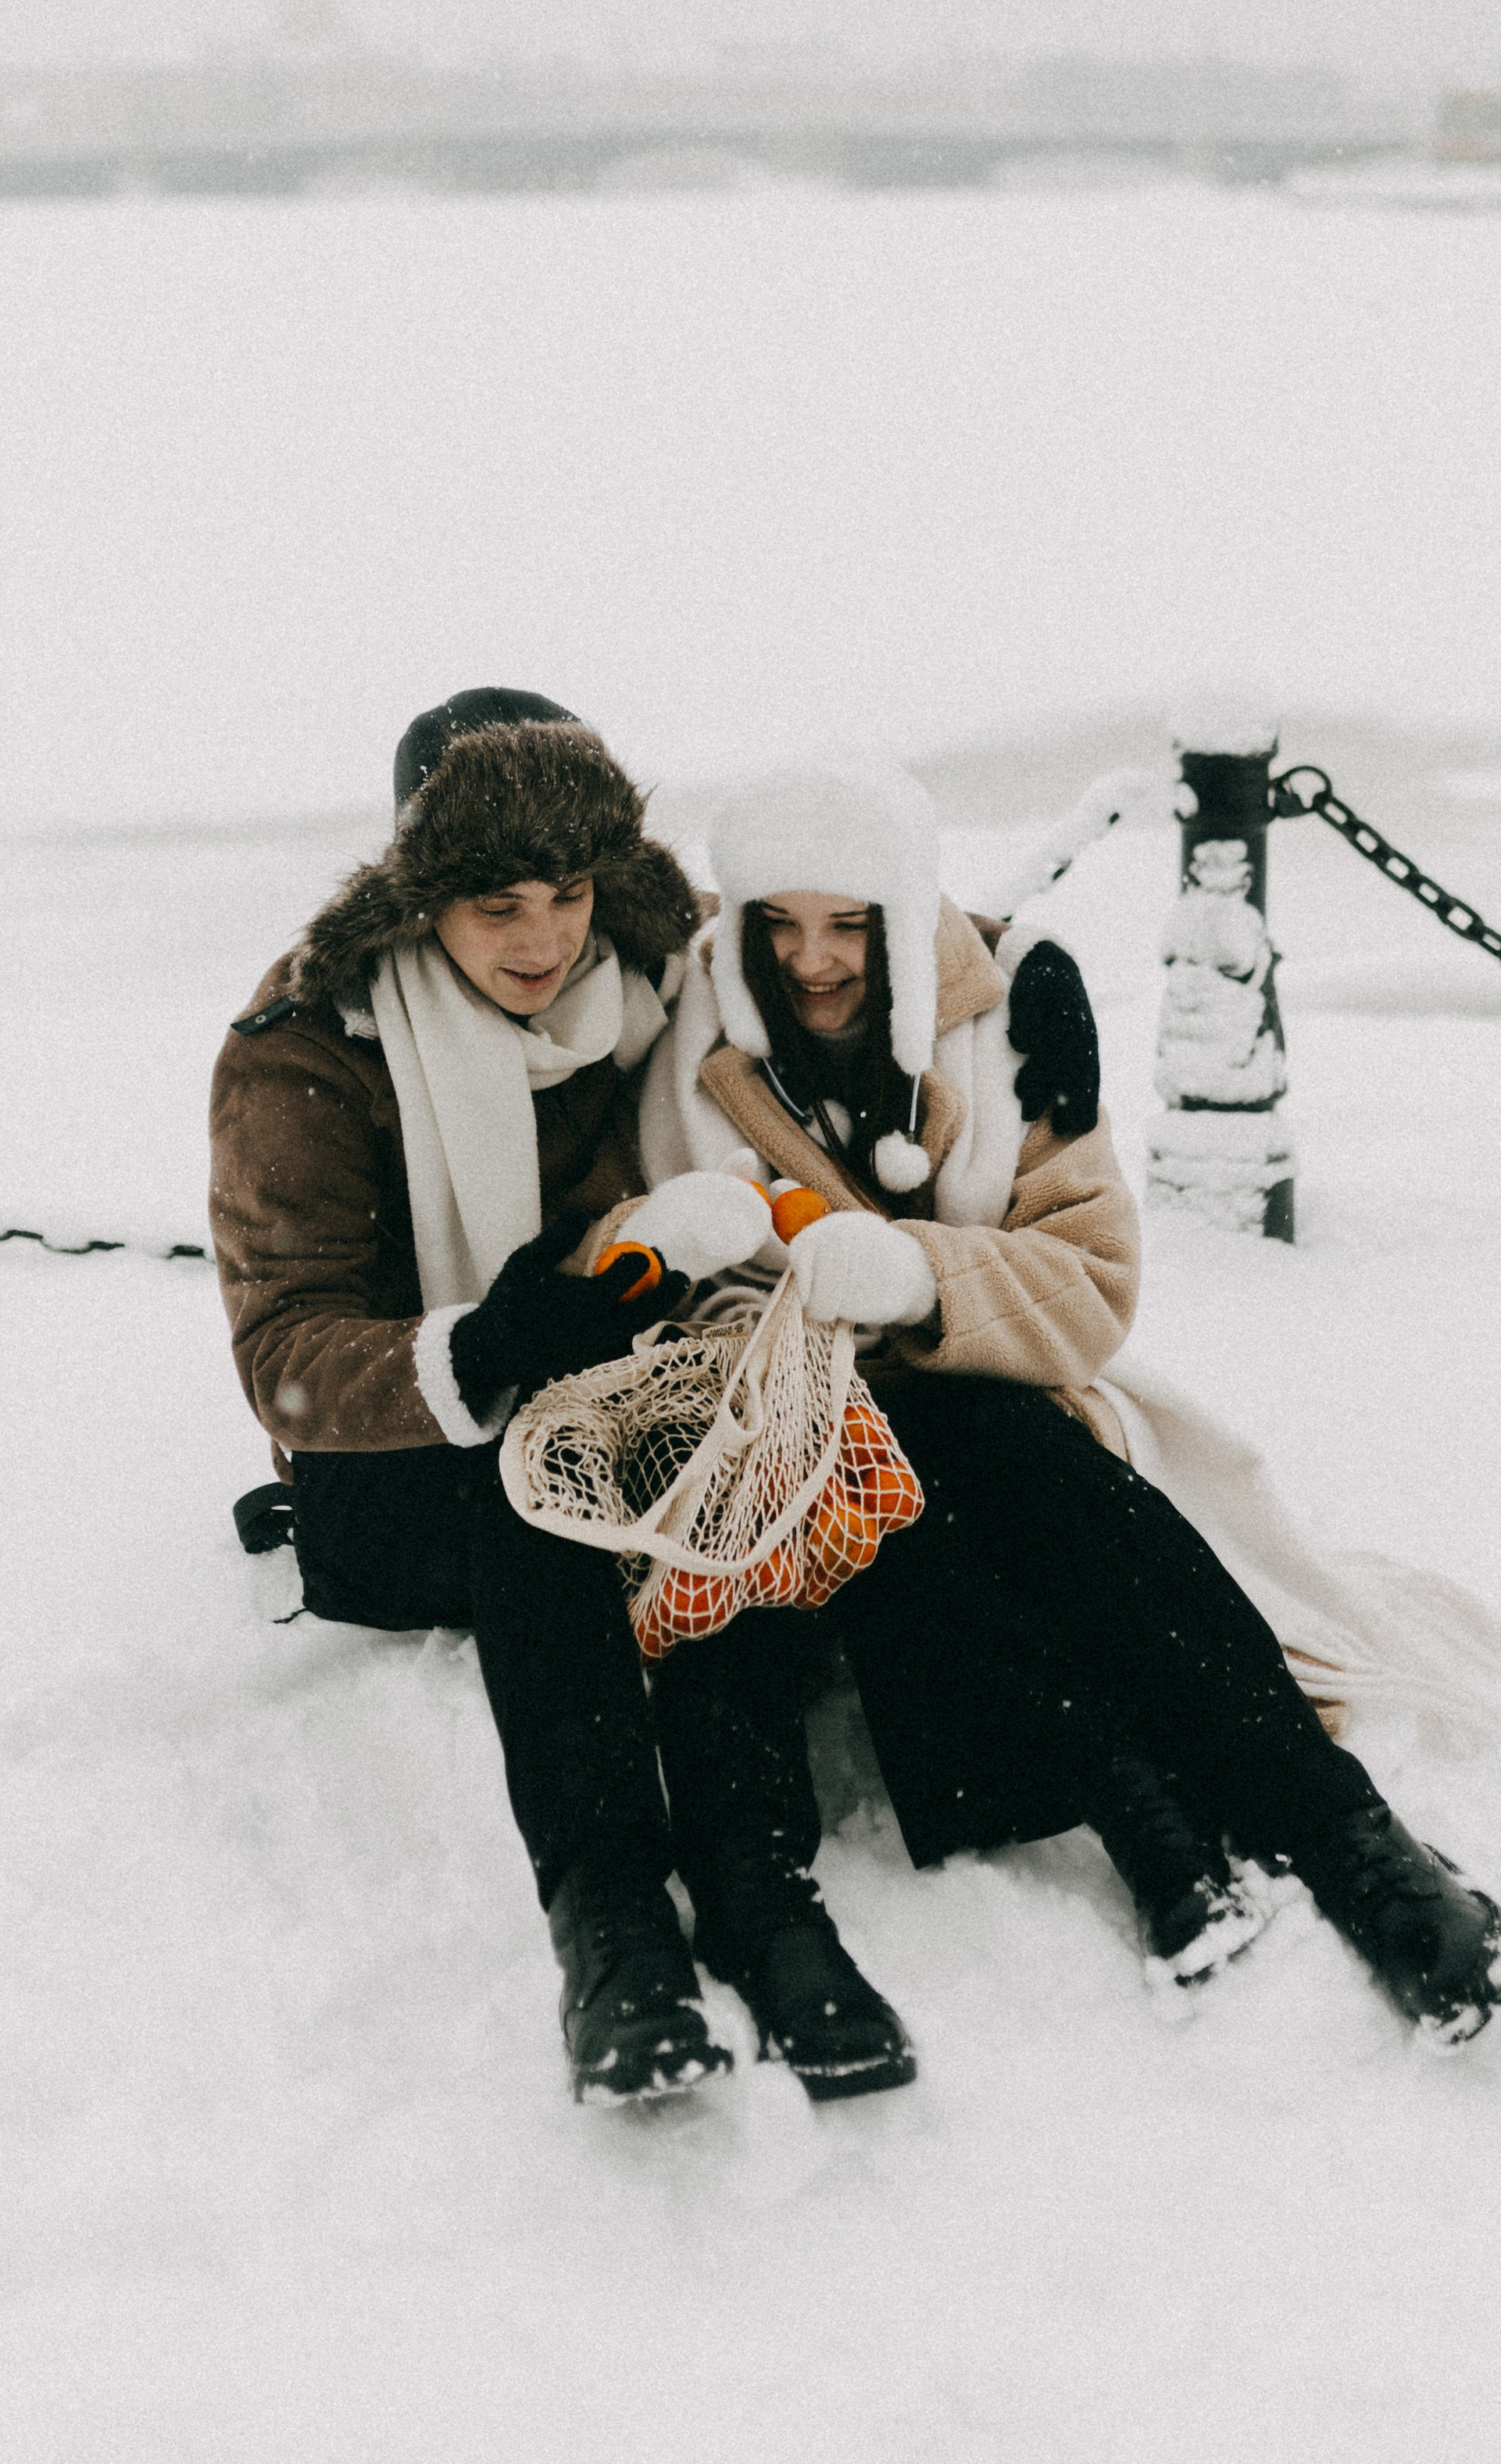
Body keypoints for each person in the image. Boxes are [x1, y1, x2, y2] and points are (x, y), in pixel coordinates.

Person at [620, 758, 1501, 2048]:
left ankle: (1350, 1838)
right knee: (886, 1482)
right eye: (779, 922)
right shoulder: (682, 1030)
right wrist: (678, 1240)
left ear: (902, 913)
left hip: (1009, 1410)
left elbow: (1093, 1282)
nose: (811, 959)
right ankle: (1155, 1825)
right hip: (797, 1435)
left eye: (849, 924)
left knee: (982, 1450)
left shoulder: (1010, 1016)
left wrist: (922, 1273)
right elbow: (612, 1221)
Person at [209, 692, 915, 2105]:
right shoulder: (311, 1044)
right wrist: (480, 1349)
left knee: (731, 1457)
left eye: (568, 892)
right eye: (493, 905)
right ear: (418, 896)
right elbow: (284, 1346)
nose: (542, 941)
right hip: (409, 1467)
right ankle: (614, 1929)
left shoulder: (662, 959)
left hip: (632, 1394)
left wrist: (1010, 973)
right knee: (536, 1475)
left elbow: (842, 927)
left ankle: (766, 1897)